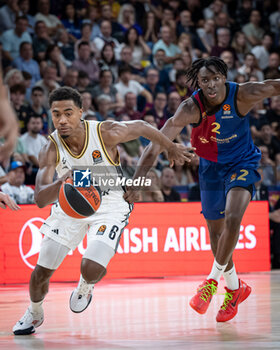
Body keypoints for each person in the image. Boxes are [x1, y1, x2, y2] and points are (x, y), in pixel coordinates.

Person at [13, 86, 193, 335]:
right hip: (70, 205)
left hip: (110, 202)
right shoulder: (50, 148)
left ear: (81, 112)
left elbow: (142, 126)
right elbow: (41, 199)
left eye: (68, 113)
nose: (62, 120)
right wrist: (65, 181)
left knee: (90, 268)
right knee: (40, 274)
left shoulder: (104, 132)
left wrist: (170, 146)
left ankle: (85, 286)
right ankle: (34, 312)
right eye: (56, 114)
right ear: (50, 116)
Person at [125, 56, 280, 323]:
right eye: (204, 80)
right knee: (215, 234)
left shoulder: (243, 94)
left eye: (215, 78)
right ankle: (234, 289)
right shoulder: (190, 107)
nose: (210, 84)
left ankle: (211, 281)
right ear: (198, 82)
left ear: (224, 77)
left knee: (233, 218)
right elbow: (156, 144)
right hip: (209, 168)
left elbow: (274, 86)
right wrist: (136, 182)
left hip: (242, 162)